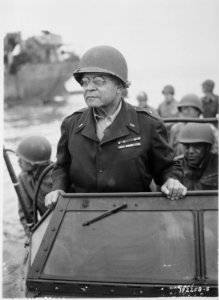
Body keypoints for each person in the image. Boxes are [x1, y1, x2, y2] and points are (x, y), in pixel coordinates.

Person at [45, 45, 187, 208]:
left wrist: (171, 180)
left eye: (98, 82)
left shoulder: (147, 124)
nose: (89, 88)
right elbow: (62, 167)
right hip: (83, 218)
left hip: (134, 216)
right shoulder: (72, 124)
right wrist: (58, 188)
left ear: (119, 86)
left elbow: (167, 167)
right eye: (85, 82)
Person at [16, 136, 52, 236]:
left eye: (22, 159)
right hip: (47, 228)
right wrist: (32, 236)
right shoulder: (23, 178)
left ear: (33, 163)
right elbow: (26, 213)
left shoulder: (58, 176)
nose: (18, 161)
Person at [177, 123, 218, 190]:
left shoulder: (217, 165)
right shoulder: (175, 167)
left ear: (207, 147)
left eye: (196, 146)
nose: (190, 151)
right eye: (186, 146)